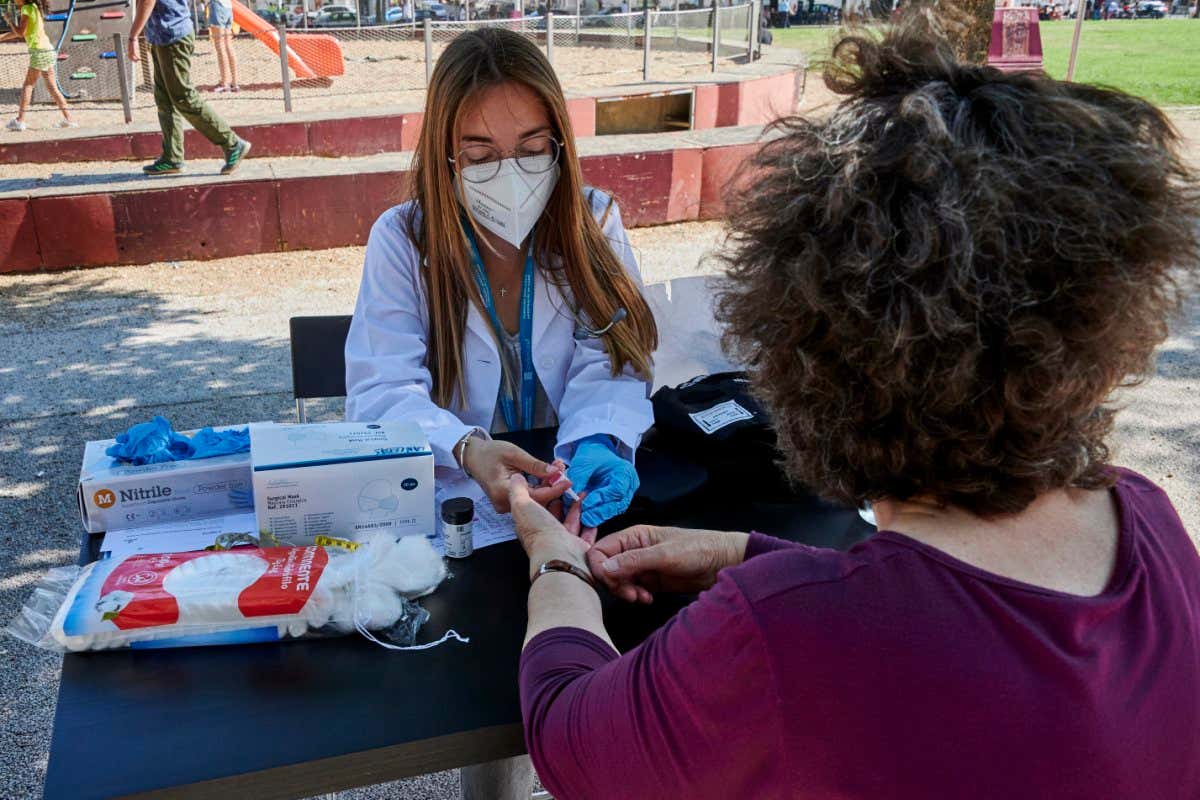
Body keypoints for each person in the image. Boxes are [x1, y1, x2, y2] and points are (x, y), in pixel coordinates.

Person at [508, 15, 1200, 800]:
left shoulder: (786, 638)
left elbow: (572, 742)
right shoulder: (1146, 518)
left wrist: (555, 561)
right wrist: (744, 553)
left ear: (814, 350)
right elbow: (960, 613)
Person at [343, 27, 658, 800]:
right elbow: (382, 389)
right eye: (479, 153)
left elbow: (613, 359)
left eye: (530, 147)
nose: (507, 173)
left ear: (561, 140)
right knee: (491, 711)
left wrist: (598, 442)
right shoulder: (404, 239)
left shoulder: (594, 220)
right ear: (445, 158)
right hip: (466, 520)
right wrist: (468, 449)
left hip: (574, 505)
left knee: (612, 688)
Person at [126, 0, 251, 175]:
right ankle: (172, 157)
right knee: (165, 100)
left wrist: (133, 36)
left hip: (172, 34)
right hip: (163, 35)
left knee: (184, 98)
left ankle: (232, 144)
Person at [0, 0, 76, 131]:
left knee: (28, 85)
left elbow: (19, 32)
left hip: (39, 52)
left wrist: (9, 20)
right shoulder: (34, 7)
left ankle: (20, 121)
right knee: (52, 88)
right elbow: (23, 33)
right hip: (47, 50)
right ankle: (70, 119)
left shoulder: (26, 9)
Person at [206, 0, 239, 93]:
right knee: (228, 44)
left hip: (218, 5)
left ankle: (224, 83)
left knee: (220, 45)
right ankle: (235, 82)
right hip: (228, 7)